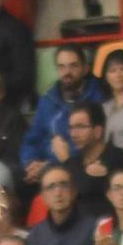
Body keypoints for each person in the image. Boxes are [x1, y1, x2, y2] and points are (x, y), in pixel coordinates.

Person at [20, 46, 108, 187]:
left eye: (73, 66)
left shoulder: (97, 100)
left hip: (77, 170)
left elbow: (90, 146)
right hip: (42, 170)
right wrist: (30, 163)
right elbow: (33, 138)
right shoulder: (47, 100)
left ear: (85, 69)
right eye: (62, 67)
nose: (67, 72)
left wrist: (50, 166)